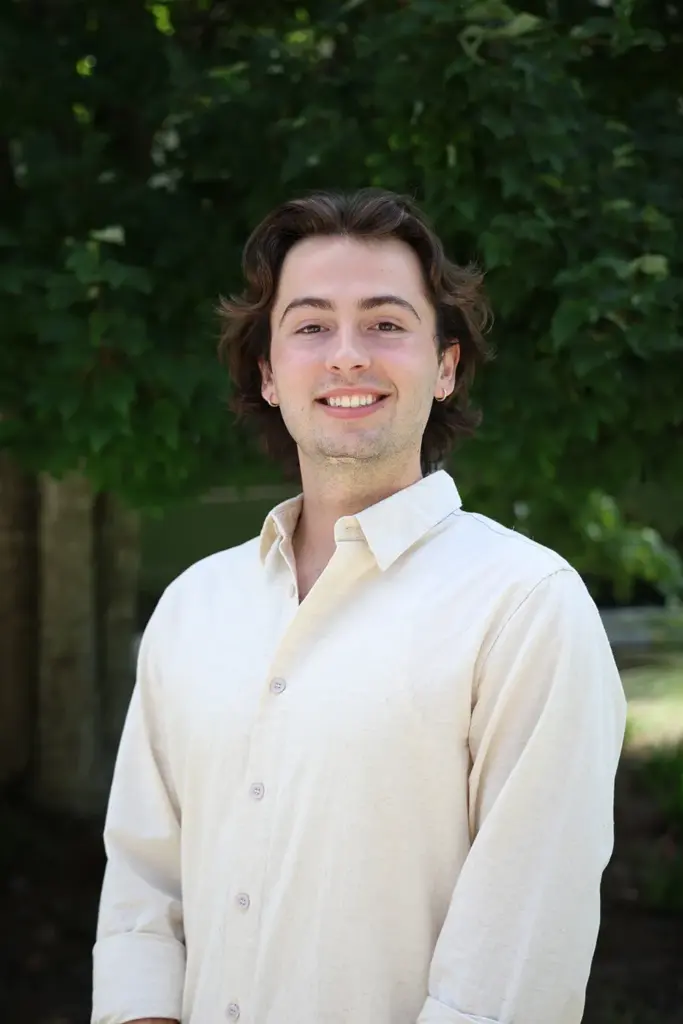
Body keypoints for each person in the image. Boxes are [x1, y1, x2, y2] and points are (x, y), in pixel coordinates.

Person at [92, 188, 627, 1024]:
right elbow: (143, 887)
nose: (346, 355)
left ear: (444, 365)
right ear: (267, 373)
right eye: (309, 326)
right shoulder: (194, 606)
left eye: (385, 323)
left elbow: (517, 951)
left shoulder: (525, 607)